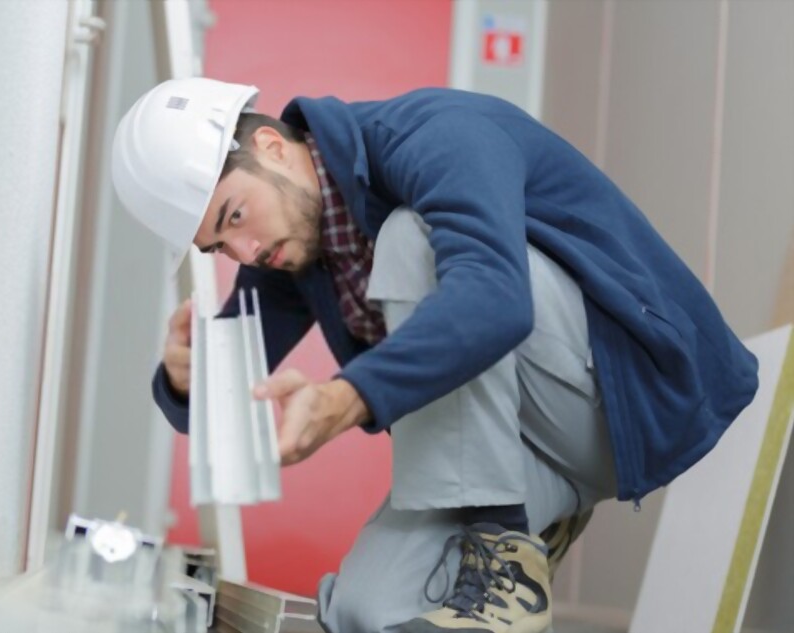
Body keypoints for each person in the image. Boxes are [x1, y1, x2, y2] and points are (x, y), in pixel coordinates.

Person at [110, 78, 758, 633]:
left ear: (271, 146)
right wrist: (185, 379)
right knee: (367, 610)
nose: (245, 250)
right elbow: (228, 391)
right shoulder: (291, 247)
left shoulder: (437, 133)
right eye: (220, 245)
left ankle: (505, 552)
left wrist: (346, 397)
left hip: (629, 396)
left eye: (235, 215)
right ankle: (523, 531)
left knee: (409, 239)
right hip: (518, 448)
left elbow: (495, 298)